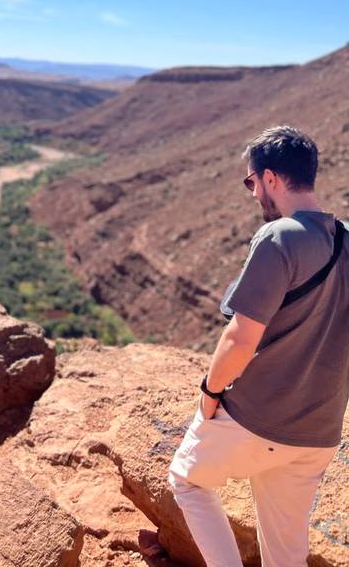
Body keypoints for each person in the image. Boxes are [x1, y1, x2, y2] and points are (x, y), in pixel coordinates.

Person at [168, 125, 348, 567]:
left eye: (251, 182)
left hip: (257, 418)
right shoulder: (344, 236)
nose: (252, 193)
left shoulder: (279, 236)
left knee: (187, 481)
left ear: (270, 178)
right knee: (285, 551)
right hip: (319, 432)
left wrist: (211, 393)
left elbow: (240, 336)